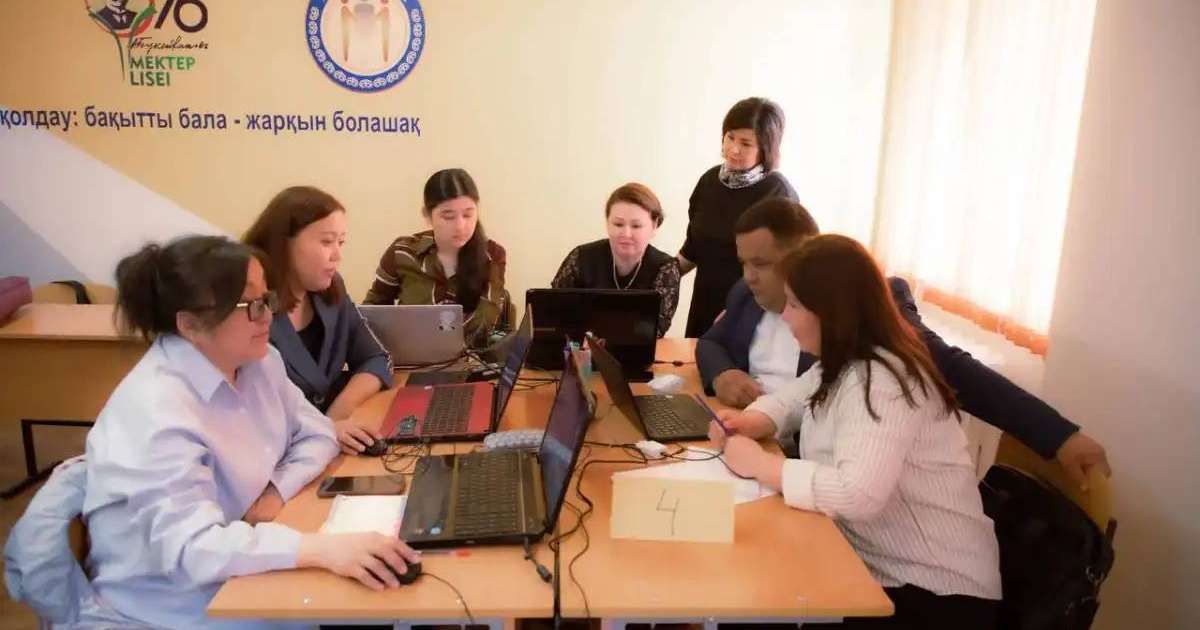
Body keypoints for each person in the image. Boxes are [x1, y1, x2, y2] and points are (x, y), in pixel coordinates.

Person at [81, 236, 421, 629]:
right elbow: (194, 550)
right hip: (183, 603)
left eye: (267, 299)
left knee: (399, 578)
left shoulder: (257, 361)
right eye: (251, 305)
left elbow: (318, 433)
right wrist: (319, 549)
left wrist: (274, 493)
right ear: (190, 324)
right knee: (378, 599)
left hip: (249, 552)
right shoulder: (155, 413)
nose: (268, 316)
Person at [696, 197, 1111, 488]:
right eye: (744, 263)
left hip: (818, 471)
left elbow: (951, 366)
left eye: (761, 263)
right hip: (770, 451)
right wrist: (724, 373)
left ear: (805, 256)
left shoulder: (871, 303)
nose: (748, 276)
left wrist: (1058, 436)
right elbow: (710, 343)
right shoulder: (744, 294)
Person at [711, 234, 1001, 629]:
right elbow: (791, 399)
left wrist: (763, 465)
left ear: (831, 312)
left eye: (795, 305)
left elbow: (857, 494)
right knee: (751, 583)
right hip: (874, 564)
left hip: (934, 594)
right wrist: (754, 419)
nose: (786, 316)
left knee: (752, 596)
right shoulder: (844, 359)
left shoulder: (882, 379)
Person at [244, 186, 393, 455]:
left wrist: (336, 414)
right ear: (284, 243)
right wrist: (323, 428)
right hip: (281, 456)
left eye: (341, 242)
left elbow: (376, 358)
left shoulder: (331, 289)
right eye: (326, 242)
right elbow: (249, 416)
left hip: (330, 444)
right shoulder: (250, 310)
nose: (337, 255)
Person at [677, 97, 799, 337]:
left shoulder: (778, 195)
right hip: (703, 306)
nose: (734, 149)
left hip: (751, 314)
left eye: (746, 143)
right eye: (730, 137)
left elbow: (786, 272)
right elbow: (693, 249)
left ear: (766, 149)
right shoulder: (709, 182)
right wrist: (654, 276)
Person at [363, 168, 508, 346]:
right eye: (448, 216)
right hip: (410, 358)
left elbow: (487, 321)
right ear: (427, 215)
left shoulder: (492, 255)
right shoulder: (402, 252)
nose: (461, 226)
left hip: (469, 362)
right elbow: (372, 312)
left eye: (468, 214)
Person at [551, 182, 681, 336]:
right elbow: (554, 311)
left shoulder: (666, 268)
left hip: (636, 353)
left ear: (654, 225)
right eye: (618, 224)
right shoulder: (580, 257)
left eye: (636, 226)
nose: (626, 234)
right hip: (580, 351)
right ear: (607, 222)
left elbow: (654, 330)